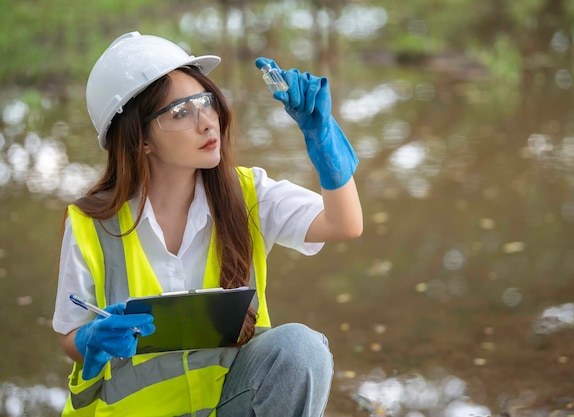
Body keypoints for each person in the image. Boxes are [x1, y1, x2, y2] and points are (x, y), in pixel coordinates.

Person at [52, 31, 362, 417]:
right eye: (181, 112)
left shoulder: (248, 193)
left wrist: (324, 142)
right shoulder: (90, 223)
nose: (207, 123)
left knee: (300, 347)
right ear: (140, 138)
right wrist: (92, 339)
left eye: (206, 102)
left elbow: (343, 223)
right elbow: (70, 334)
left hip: (227, 406)